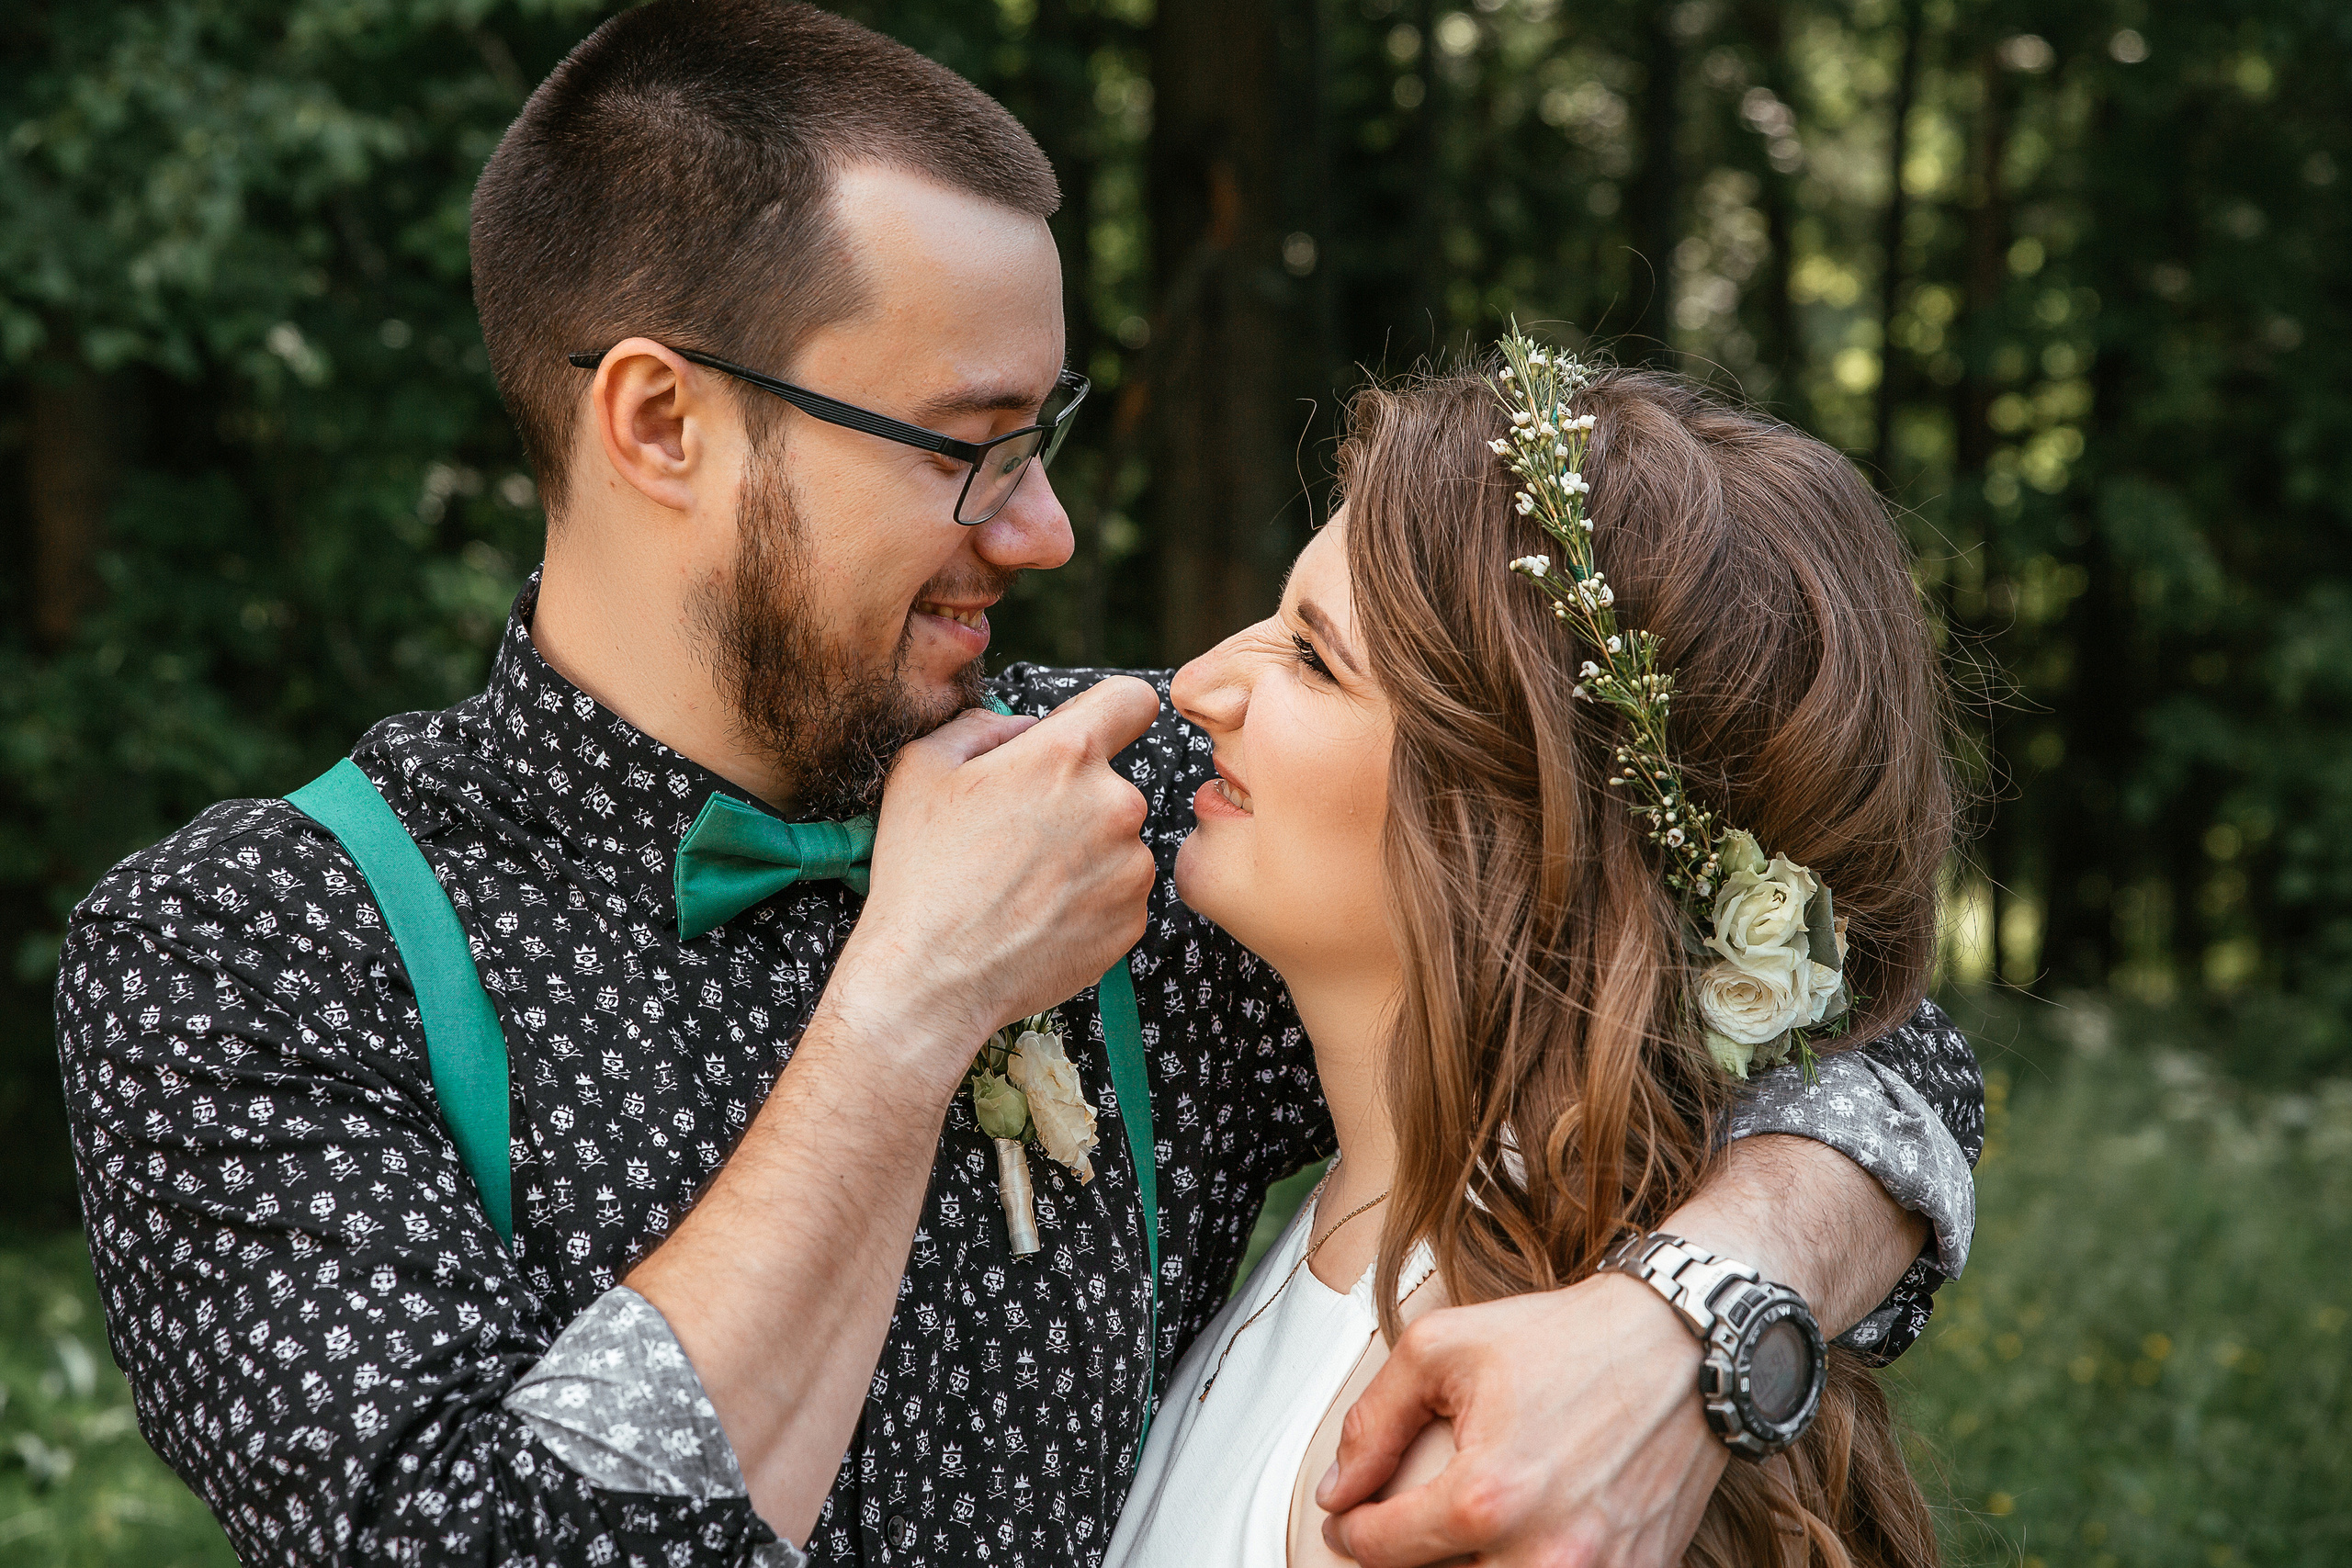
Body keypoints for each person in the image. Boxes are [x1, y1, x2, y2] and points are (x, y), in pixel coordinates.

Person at [51, 5, 1981, 1565]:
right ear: (658, 419)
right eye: (966, 443)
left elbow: (1794, 992)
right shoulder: (252, 954)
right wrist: (906, 1006)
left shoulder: (1143, 800)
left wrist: (1676, 1329)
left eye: (1039, 431)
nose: (1046, 528)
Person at [1109, 353, 1972, 1567]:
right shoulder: (1370, 1214)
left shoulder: (1468, 1456)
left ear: (1517, 823)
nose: (1195, 688)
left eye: (1312, 659)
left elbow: (1908, 1052)